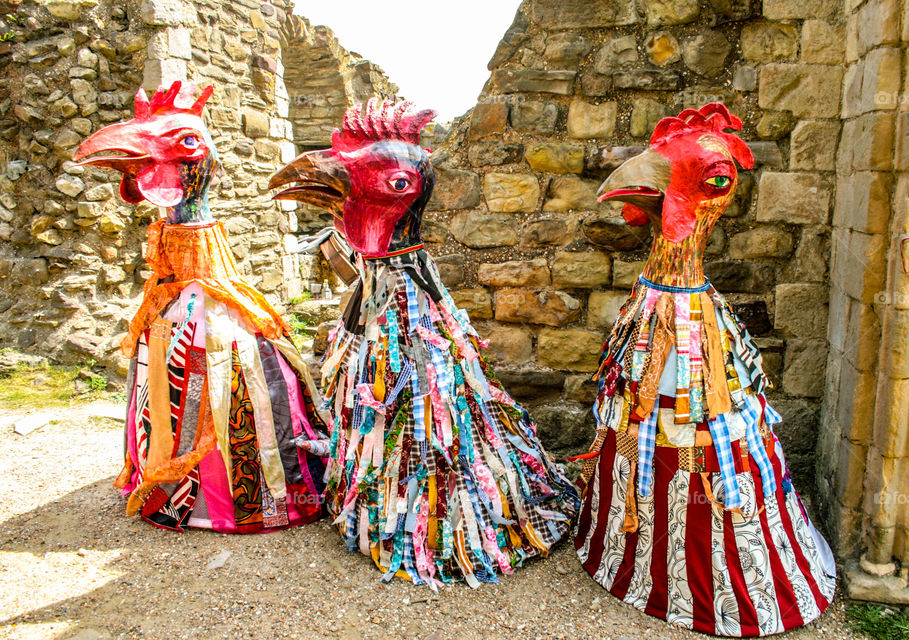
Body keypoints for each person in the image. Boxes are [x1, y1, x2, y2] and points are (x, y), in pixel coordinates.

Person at [270, 98, 579, 588]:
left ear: (409, 191)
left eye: (389, 179)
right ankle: (378, 504)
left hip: (406, 295)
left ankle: (440, 524)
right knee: (372, 397)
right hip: (377, 289)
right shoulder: (369, 292)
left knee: (433, 402)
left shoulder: (419, 302)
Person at [575, 103, 836, 636]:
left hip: (689, 317)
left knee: (709, 417)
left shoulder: (696, 262)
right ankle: (636, 548)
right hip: (660, 307)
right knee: (642, 414)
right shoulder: (648, 300)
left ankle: (717, 572)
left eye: (706, 176)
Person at [73, 82, 327, 533]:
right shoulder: (164, 290)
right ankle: (172, 486)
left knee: (240, 373)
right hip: (182, 284)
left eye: (183, 140)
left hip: (210, 280)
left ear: (200, 156)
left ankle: (246, 496)